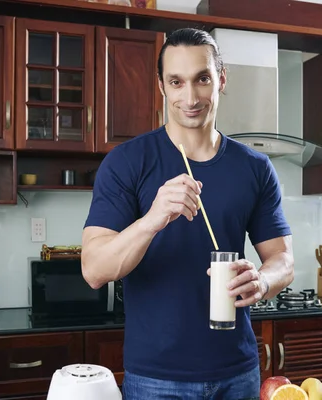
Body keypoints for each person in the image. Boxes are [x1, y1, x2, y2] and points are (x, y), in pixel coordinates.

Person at [81, 27, 294, 399]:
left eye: (202, 79)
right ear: (162, 87)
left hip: (238, 373)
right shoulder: (126, 162)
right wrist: (152, 219)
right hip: (155, 379)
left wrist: (262, 282)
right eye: (176, 82)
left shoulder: (255, 168)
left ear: (221, 80)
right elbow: (94, 271)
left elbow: (283, 260)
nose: (191, 97)